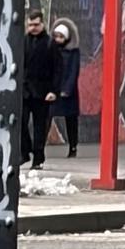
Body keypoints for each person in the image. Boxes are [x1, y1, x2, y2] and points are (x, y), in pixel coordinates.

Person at [20, 8, 58, 169]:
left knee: (39, 127)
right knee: (21, 123)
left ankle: (38, 158)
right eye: (30, 25)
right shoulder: (23, 42)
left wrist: (54, 91)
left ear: (42, 24)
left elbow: (57, 69)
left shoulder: (50, 43)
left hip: (43, 91)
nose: (33, 28)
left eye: (36, 25)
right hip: (25, 90)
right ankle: (25, 151)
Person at [48, 17, 84, 162]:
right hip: (54, 89)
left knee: (71, 120)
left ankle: (73, 147)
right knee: (47, 117)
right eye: (56, 36)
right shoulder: (51, 50)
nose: (58, 39)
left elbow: (74, 71)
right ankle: (39, 147)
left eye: (61, 37)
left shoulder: (73, 52)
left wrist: (67, 90)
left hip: (68, 92)